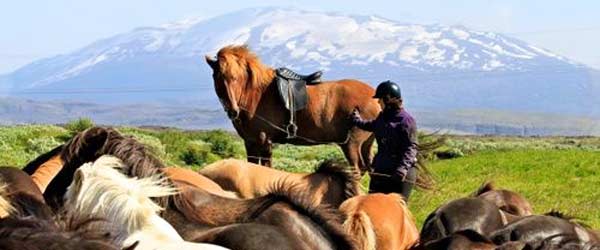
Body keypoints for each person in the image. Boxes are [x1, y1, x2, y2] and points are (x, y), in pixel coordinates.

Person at [351, 80, 418, 201]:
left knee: (397, 209)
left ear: (388, 99)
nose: (378, 102)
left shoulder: (407, 121)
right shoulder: (383, 116)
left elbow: (411, 147)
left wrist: (402, 169)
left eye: (380, 99)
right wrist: (357, 120)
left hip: (399, 174)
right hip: (381, 170)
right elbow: (372, 125)